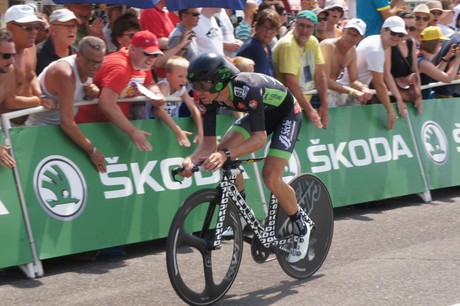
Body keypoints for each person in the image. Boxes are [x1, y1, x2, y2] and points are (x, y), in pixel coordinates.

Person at [181, 53, 315, 263]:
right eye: (193, 84)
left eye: (202, 85)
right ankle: (243, 214)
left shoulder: (247, 89)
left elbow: (259, 139)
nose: (197, 91)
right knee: (223, 148)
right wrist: (191, 160)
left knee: (270, 176)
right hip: (258, 115)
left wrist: (224, 155)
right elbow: (208, 144)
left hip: (286, 115)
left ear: (219, 82)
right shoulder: (206, 98)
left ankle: (301, 225)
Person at [75, 31, 166, 151]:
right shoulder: (120, 68)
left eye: (155, 55)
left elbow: (150, 83)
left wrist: (157, 94)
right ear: (132, 49)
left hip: (109, 127)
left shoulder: (141, 64)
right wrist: (132, 131)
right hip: (88, 126)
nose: (151, 59)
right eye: (147, 53)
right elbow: (106, 103)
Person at [25, 37, 107, 172]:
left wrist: (90, 93)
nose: (95, 66)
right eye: (90, 61)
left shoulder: (88, 67)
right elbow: (67, 123)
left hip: (59, 132)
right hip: (37, 133)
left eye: (99, 62)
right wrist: (93, 151)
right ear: (78, 55)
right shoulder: (65, 74)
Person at [338, 16, 405, 129]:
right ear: (383, 30)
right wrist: (390, 111)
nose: (396, 37)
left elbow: (384, 76)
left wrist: (398, 99)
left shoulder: (376, 40)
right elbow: (379, 84)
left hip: (352, 92)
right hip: (345, 95)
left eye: (400, 35)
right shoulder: (376, 49)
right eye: (393, 33)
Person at [272, 10, 327, 128]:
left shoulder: (313, 41)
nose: (304, 30)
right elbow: (290, 82)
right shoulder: (288, 44)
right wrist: (311, 111)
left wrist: (324, 105)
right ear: (294, 24)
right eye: (301, 25)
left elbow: (320, 75)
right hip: (284, 105)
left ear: (314, 29)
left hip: (302, 104)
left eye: (308, 27)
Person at [1, 5, 54, 125]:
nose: (34, 32)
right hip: (5, 125)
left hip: (27, 121)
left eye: (36, 27)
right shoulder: (5, 59)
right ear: (10, 28)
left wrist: (41, 95)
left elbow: (32, 76)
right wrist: (39, 100)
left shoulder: (31, 49)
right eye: (28, 27)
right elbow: (9, 101)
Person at [145, 56, 203, 144]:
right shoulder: (164, 86)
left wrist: (200, 131)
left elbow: (194, 109)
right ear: (168, 76)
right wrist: (178, 131)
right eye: (180, 76)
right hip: (152, 125)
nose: (184, 80)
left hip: (170, 126)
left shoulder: (182, 90)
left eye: (186, 77)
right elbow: (160, 110)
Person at [320, 18, 374, 107]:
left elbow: (354, 80)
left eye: (355, 35)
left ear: (361, 38)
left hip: (330, 93)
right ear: (343, 31)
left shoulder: (352, 51)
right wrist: (352, 91)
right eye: (349, 33)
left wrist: (363, 88)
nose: (350, 38)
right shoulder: (328, 46)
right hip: (315, 92)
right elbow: (323, 79)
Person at [385, 14, 423, 116]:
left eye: (412, 28)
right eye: (405, 28)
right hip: (391, 93)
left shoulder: (411, 43)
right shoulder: (390, 44)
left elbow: (415, 70)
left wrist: (418, 95)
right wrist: (398, 99)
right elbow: (387, 74)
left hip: (408, 93)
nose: (407, 32)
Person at [417, 26, 460, 99]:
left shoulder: (419, 56)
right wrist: (458, 58)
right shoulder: (423, 63)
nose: (441, 45)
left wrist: (447, 57)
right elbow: (448, 79)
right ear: (433, 43)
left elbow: (435, 72)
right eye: (440, 41)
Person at [236, 9, 281, 77]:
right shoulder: (252, 48)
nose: (268, 32)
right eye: (265, 27)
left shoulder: (266, 46)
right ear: (256, 27)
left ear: (276, 31)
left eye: (272, 28)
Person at [36, 8, 79, 75]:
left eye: (74, 26)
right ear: (52, 30)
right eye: (67, 26)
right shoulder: (37, 54)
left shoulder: (78, 55)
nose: (72, 30)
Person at [0, 29, 17, 169]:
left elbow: (9, 101)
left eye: (13, 55)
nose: (11, 60)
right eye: (6, 56)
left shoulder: (9, 70)